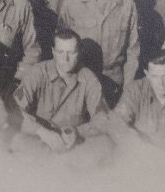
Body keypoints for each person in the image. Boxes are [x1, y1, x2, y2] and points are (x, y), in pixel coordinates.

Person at [11, 29, 111, 160]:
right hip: (40, 140)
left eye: (71, 52)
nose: (66, 58)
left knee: (105, 145)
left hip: (72, 143)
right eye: (60, 52)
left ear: (79, 52)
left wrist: (77, 132)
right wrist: (41, 132)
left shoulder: (89, 79)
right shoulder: (37, 73)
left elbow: (103, 118)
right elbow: (15, 109)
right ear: (53, 51)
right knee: (17, 142)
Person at [57, 0, 139, 105]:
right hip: (80, 81)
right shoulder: (72, 2)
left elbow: (133, 52)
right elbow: (61, 48)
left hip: (114, 83)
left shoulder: (127, 5)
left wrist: (127, 89)